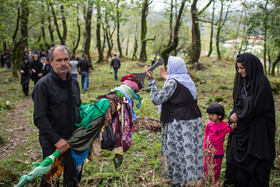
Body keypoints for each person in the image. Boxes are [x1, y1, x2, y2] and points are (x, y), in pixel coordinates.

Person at [145, 56, 203, 186]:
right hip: (192, 121)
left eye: (169, 65)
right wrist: (167, 78)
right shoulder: (187, 79)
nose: (166, 67)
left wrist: (152, 82)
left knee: (177, 152)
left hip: (179, 123)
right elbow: (179, 91)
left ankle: (178, 181)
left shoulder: (173, 82)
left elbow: (157, 99)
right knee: (189, 152)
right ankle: (193, 180)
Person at [32, 45, 82, 186]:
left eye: (66, 59)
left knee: (73, 178)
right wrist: (57, 140)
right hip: (52, 143)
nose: (63, 63)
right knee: (51, 180)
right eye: (58, 60)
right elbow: (39, 118)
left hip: (73, 141)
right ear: (51, 61)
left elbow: (78, 107)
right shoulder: (43, 86)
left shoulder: (74, 83)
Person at [225, 53, 275, 187]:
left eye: (242, 68)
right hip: (242, 128)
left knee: (254, 163)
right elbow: (239, 102)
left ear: (251, 67)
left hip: (256, 131)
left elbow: (258, 105)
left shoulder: (261, 83)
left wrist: (239, 115)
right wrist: (234, 116)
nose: (239, 71)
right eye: (238, 68)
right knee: (237, 164)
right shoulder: (242, 81)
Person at [203, 104, 236, 184]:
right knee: (205, 166)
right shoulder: (209, 124)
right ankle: (205, 180)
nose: (210, 116)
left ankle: (215, 182)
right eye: (209, 114)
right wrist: (204, 146)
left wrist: (232, 127)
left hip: (218, 152)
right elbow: (206, 135)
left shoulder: (224, 125)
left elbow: (230, 130)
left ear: (219, 116)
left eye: (212, 114)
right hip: (208, 151)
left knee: (217, 168)